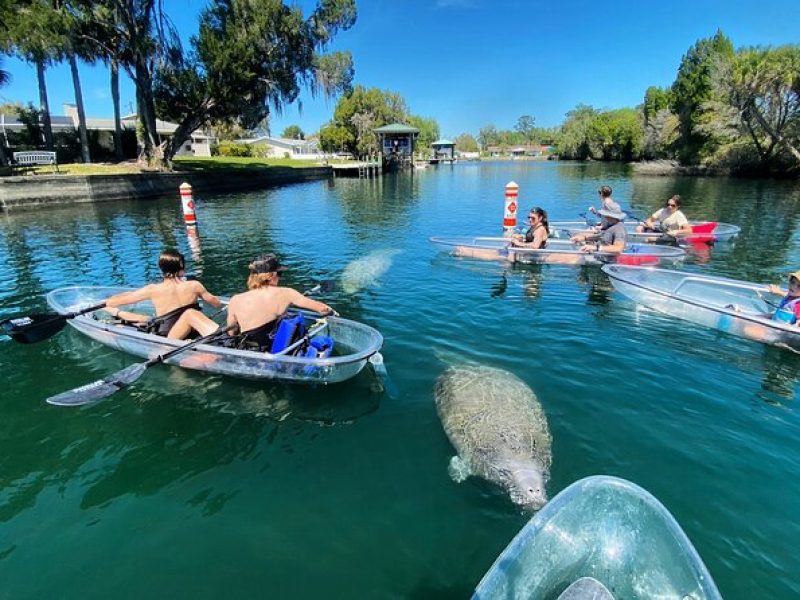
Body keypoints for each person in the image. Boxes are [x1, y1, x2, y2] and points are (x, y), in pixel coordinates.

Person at [103, 248, 223, 339]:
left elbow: (114, 302)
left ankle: (114, 312)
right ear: (182, 267)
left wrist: (111, 300)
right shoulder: (195, 285)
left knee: (149, 320)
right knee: (148, 319)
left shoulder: (152, 289)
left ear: (161, 269)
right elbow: (217, 304)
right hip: (193, 329)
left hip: (168, 334)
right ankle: (116, 312)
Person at [225, 253, 335, 351]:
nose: (279, 278)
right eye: (279, 274)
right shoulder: (286, 293)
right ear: (271, 275)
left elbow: (231, 332)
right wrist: (331, 312)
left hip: (246, 349)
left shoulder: (235, 299)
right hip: (270, 350)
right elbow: (323, 309)